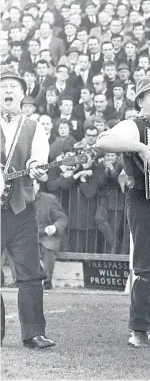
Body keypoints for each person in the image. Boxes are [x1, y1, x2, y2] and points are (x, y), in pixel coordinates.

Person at [96, 76, 150, 348]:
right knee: (146, 268)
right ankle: (138, 331)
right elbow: (103, 141)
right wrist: (140, 146)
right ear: (141, 101)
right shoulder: (135, 125)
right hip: (144, 200)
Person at [0, 66, 55, 349]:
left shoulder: (34, 127)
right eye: (3, 86)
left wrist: (35, 168)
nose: (8, 91)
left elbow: (38, 158)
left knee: (31, 272)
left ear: (23, 94)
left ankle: (34, 334)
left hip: (22, 209)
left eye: (13, 86)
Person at [34, 180, 67, 290]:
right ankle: (20, 279)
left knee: (48, 247)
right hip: (26, 236)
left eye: (31, 184)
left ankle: (47, 281)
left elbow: (62, 218)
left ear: (37, 185)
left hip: (46, 235)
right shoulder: (18, 201)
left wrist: (55, 227)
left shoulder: (49, 199)